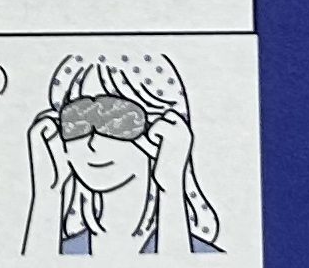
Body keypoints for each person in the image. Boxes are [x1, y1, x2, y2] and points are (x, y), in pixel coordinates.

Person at [23, 51, 222, 257]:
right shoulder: (56, 249)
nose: (92, 142)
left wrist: (171, 187)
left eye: (117, 118)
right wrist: (48, 194)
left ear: (161, 127)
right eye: (77, 119)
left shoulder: (205, 256)